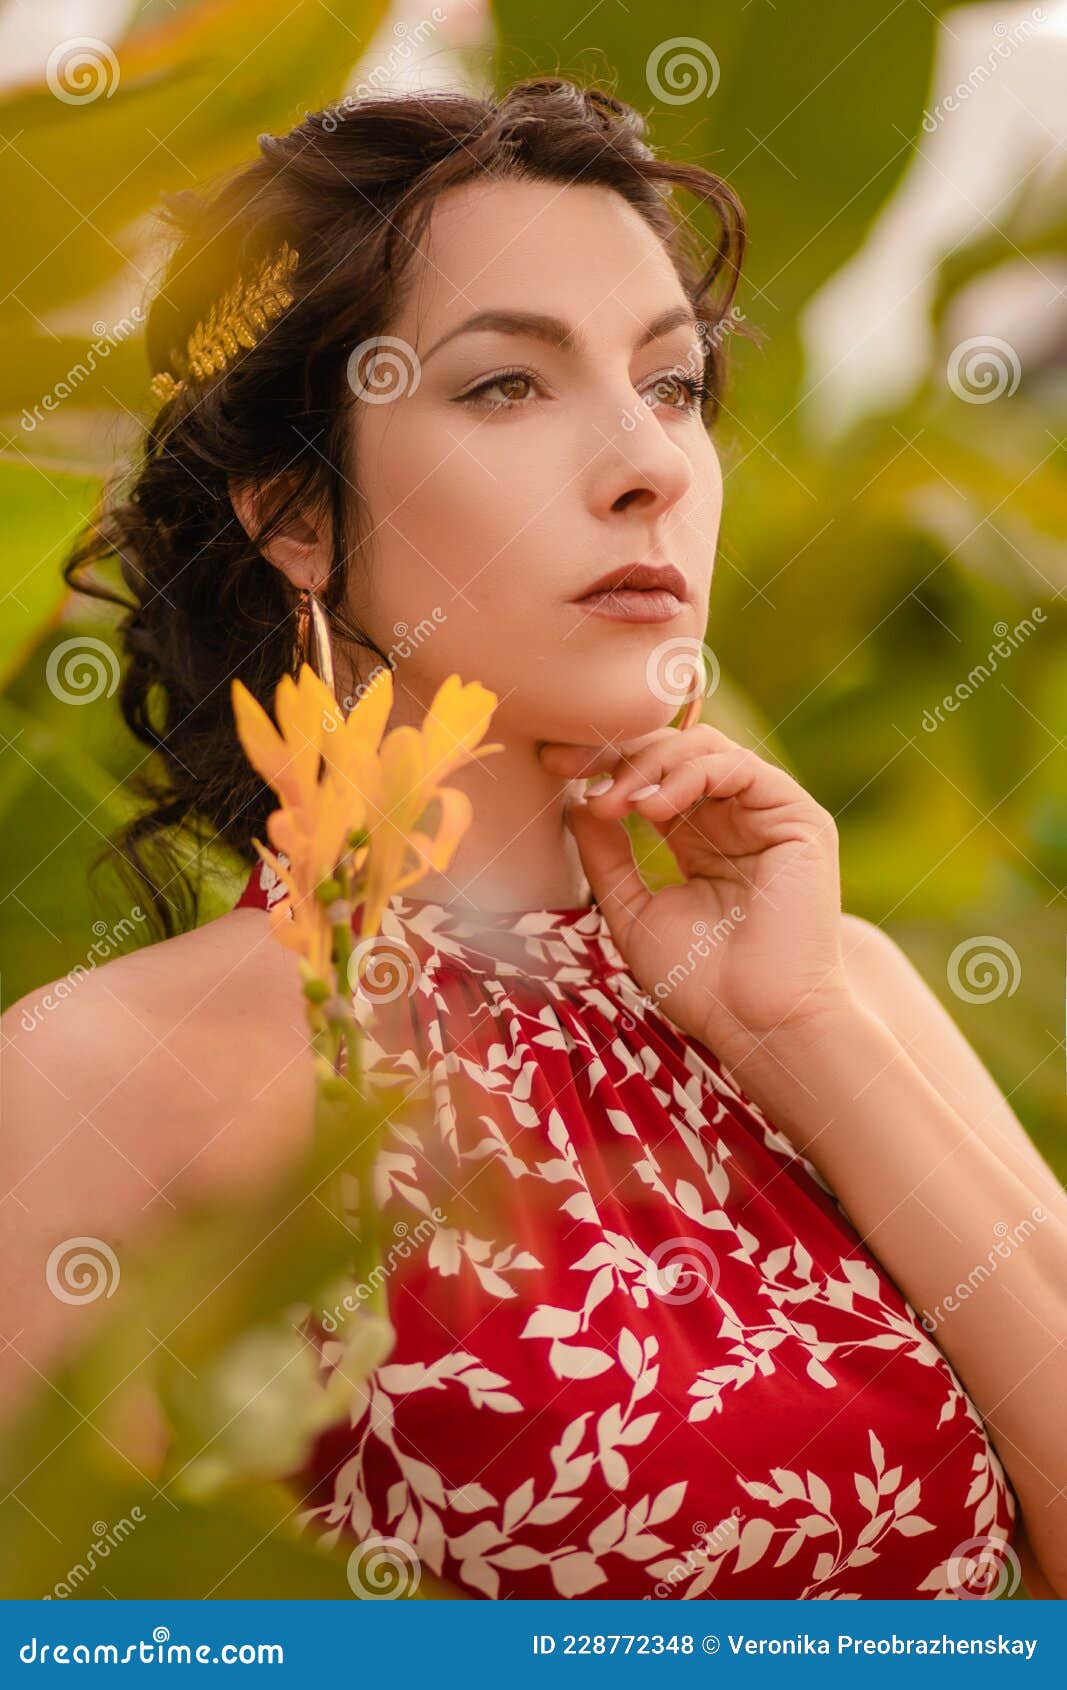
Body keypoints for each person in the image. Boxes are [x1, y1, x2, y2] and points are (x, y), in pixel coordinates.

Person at [3, 78, 1065, 1600]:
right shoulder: (114, 1074)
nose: (648, 464)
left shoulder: (841, 986)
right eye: (507, 384)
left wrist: (802, 1026)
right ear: (296, 511)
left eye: (675, 385)